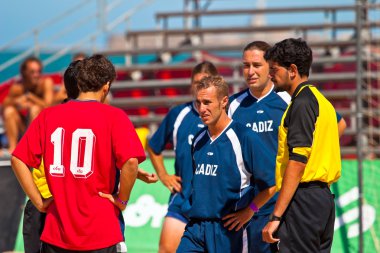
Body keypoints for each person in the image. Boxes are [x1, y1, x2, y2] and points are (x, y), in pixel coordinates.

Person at [12, 54, 146, 252]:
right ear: (106, 86)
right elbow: (131, 163)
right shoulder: (114, 117)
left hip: (57, 230)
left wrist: (39, 202)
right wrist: (121, 200)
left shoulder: (48, 115)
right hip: (101, 231)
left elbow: (18, 159)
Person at [177, 76, 276, 253]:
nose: (202, 109)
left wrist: (250, 210)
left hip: (229, 230)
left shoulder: (245, 137)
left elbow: (271, 185)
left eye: (207, 102)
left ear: (224, 102)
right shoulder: (198, 140)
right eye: (198, 103)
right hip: (196, 229)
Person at [262, 38, 341, 253]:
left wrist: (276, 216)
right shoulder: (322, 101)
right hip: (322, 200)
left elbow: (297, 161)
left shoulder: (302, 103)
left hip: (303, 201)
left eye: (274, 69)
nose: (270, 75)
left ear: (292, 70)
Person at [146, 61, 218, 253]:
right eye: (196, 82)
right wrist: (163, 175)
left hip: (216, 207)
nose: (199, 87)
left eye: (204, 82)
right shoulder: (179, 114)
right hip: (182, 201)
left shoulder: (227, 116)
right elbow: (153, 147)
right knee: (166, 250)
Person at [228, 41, 290, 253]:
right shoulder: (233, 106)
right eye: (246, 66)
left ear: (270, 66)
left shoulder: (288, 99)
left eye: (256, 65)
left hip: (284, 204)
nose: (250, 71)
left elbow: (337, 124)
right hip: (248, 207)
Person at [2, 56, 54, 154]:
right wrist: (17, 102)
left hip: (44, 129)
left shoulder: (46, 83)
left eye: (39, 71)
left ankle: (33, 147)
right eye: (32, 72)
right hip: (24, 127)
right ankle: (13, 148)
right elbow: (4, 106)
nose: (36, 75)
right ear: (24, 73)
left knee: (35, 109)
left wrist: (30, 97)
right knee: (9, 111)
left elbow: (49, 106)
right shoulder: (17, 87)